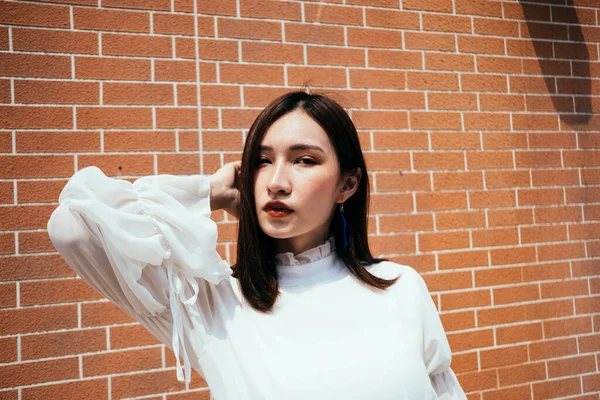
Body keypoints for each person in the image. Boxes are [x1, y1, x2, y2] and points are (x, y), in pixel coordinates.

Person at [47, 91, 467, 400]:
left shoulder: (399, 286)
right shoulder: (214, 304)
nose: (276, 181)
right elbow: (72, 225)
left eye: (304, 160)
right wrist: (207, 191)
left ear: (348, 184)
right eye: (262, 161)